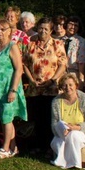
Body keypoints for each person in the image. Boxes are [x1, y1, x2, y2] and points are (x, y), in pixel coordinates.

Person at [0, 19, 27, 159]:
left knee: (7, 118)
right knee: (4, 119)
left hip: (8, 89)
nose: (0, 32)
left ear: (10, 31)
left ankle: (5, 148)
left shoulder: (12, 47)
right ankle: (14, 147)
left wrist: (13, 90)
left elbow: (19, 69)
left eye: (3, 29)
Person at [24, 16, 67, 154]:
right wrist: (31, 80)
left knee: (49, 118)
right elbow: (24, 63)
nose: (43, 31)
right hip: (34, 88)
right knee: (35, 118)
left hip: (51, 88)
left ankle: (49, 146)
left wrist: (53, 80)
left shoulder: (57, 44)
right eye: (41, 28)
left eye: (46, 29)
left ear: (51, 30)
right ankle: (35, 146)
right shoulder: (31, 44)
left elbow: (63, 64)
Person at [51, 74, 85, 169]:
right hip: (64, 133)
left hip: (82, 132)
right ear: (61, 87)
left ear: (76, 85)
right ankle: (67, 161)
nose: (68, 88)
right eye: (65, 85)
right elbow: (54, 124)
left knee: (74, 135)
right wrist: (62, 130)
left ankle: (75, 163)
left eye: (70, 85)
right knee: (57, 141)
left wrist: (74, 128)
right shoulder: (56, 102)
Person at [65, 16, 85, 85]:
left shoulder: (81, 41)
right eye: (71, 24)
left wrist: (81, 78)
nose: (73, 27)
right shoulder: (59, 40)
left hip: (74, 73)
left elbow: (81, 61)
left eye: (76, 25)